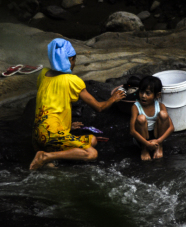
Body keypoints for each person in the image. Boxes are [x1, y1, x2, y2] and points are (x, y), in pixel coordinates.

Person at [29, 38, 126, 170]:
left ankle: (46, 153)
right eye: (74, 60)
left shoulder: (43, 73)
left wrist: (66, 125)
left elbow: (52, 103)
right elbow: (99, 107)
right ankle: (47, 157)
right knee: (91, 153)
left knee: (93, 140)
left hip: (37, 135)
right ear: (69, 60)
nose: (74, 64)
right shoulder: (72, 80)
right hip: (51, 135)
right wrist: (113, 99)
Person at [129, 76, 174, 161]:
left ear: (157, 95)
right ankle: (144, 149)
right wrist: (146, 144)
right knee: (141, 118)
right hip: (142, 138)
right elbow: (132, 131)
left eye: (147, 93)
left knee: (164, 115)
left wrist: (158, 141)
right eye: (141, 92)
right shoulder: (136, 107)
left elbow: (171, 128)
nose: (143, 96)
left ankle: (159, 147)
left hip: (157, 137)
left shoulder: (160, 106)